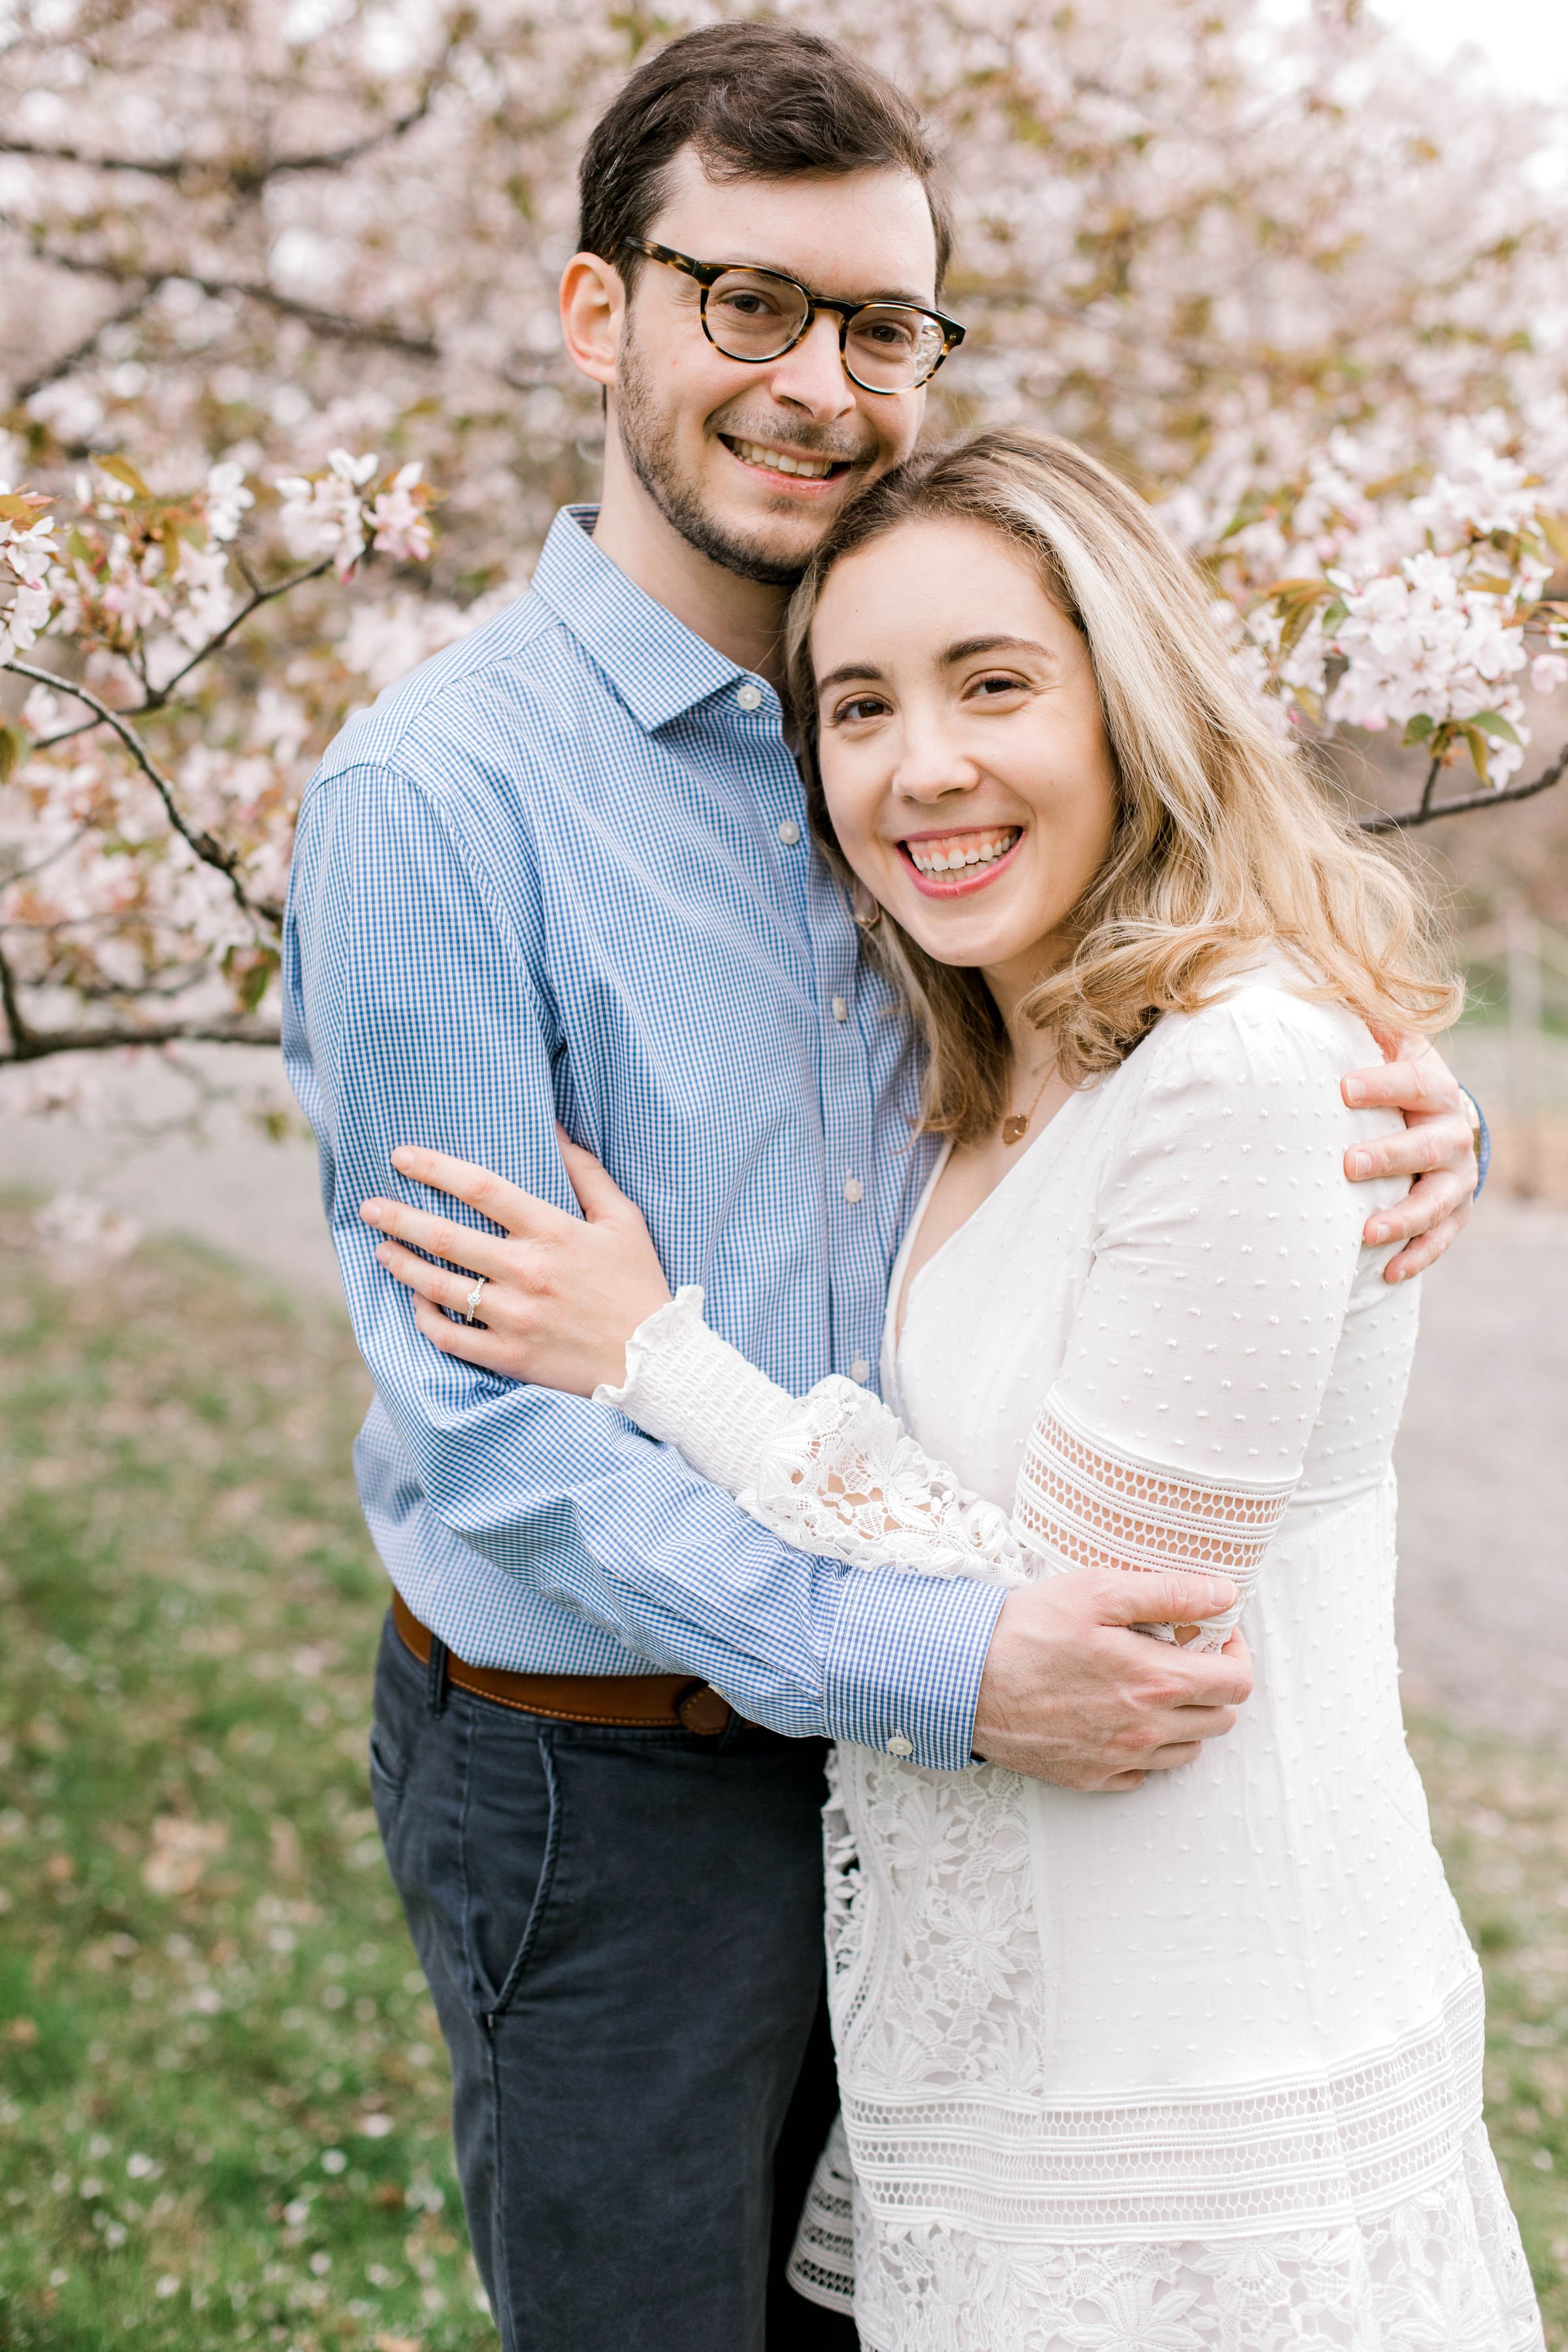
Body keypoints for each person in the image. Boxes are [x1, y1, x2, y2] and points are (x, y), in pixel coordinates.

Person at [284, 24, 1483, 2351]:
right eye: (747, 303)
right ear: (593, 312)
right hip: (624, 1783)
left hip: (971, 1796)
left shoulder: (922, 723)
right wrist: (934, 1663)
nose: (820, 382)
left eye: (881, 326)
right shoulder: (436, 803)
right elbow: (494, 1435)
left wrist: (1379, 1077)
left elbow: (1158, 1020)